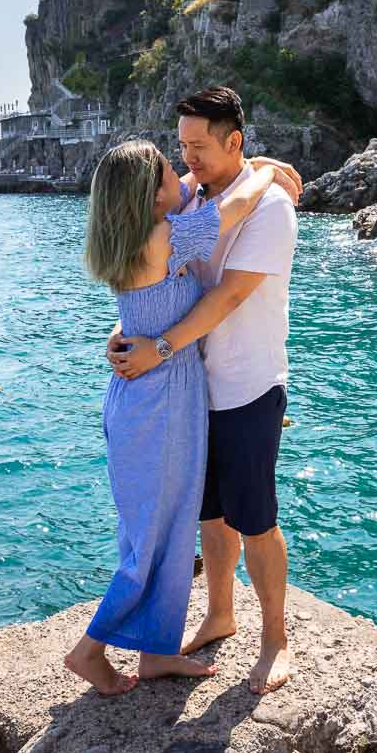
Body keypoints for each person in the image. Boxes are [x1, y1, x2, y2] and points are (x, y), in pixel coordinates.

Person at [64, 139, 297, 697]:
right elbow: (235, 206)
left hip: (138, 399)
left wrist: (240, 165)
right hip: (161, 402)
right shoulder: (167, 236)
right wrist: (263, 169)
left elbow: (196, 193)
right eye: (172, 170)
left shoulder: (129, 236)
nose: (184, 172)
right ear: (150, 198)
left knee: (161, 531)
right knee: (155, 536)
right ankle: (89, 651)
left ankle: (154, 654)